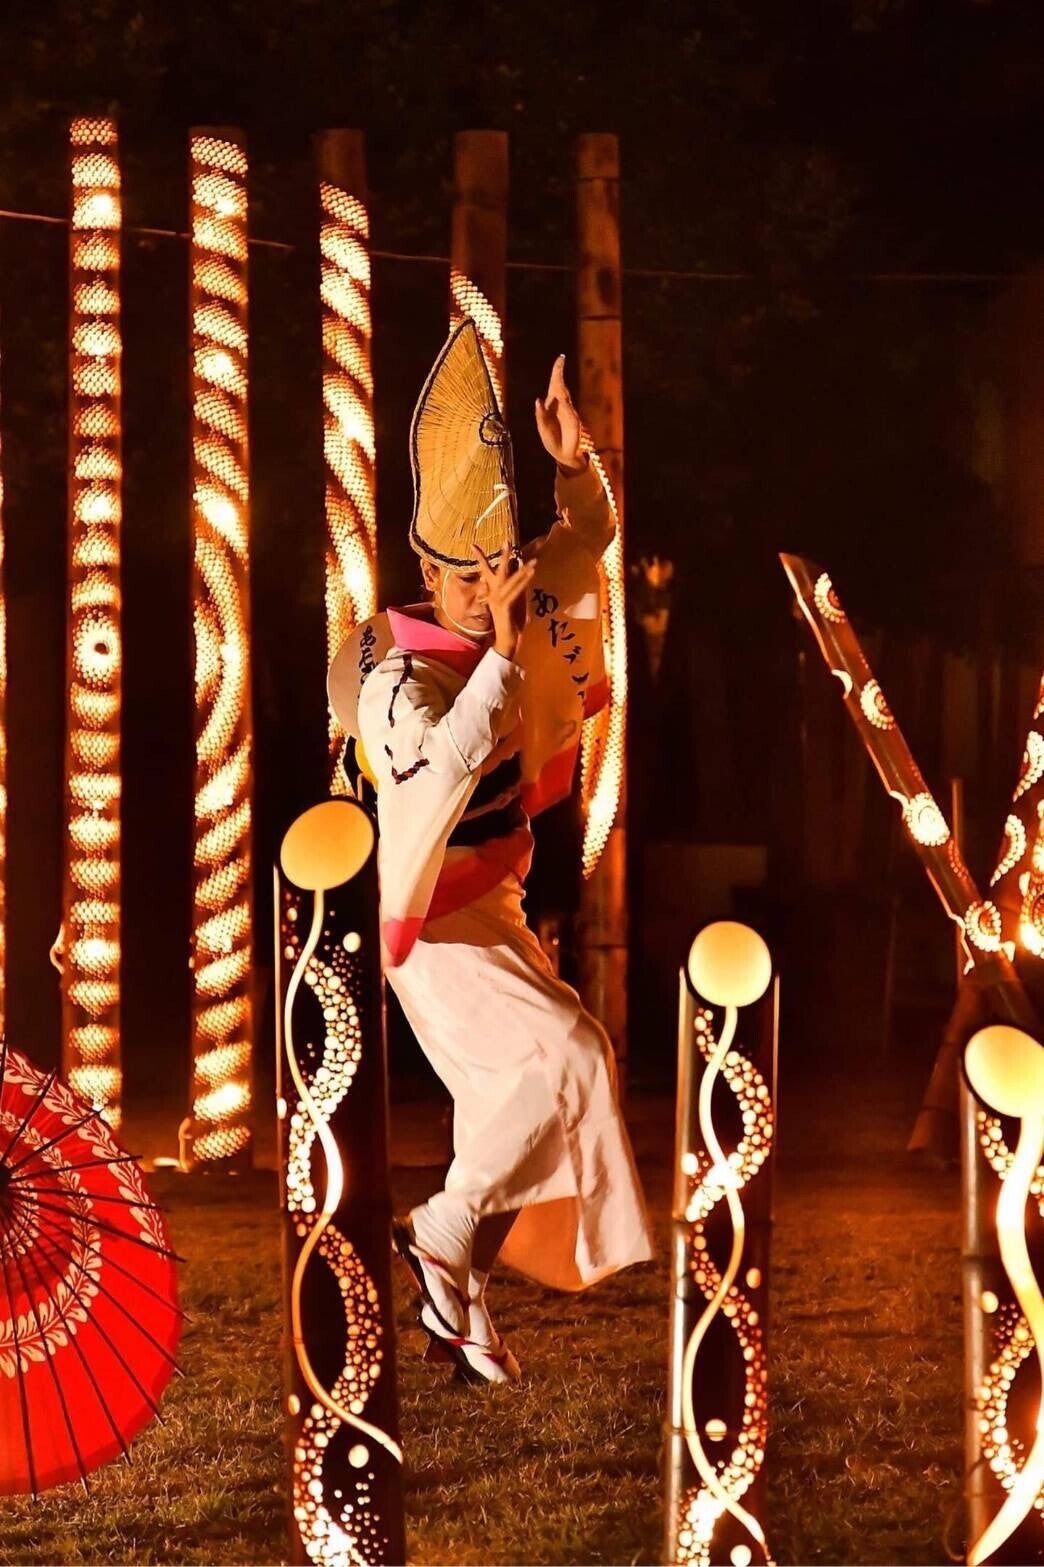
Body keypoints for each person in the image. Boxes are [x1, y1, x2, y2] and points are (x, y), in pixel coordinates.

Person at [329, 320, 652, 1385]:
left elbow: (590, 533)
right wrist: (504, 659)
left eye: (501, 568)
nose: (488, 589)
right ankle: (445, 1227)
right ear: (426, 567)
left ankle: (458, 1301)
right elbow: (439, 779)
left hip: (494, 897)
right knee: (568, 1055)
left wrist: (575, 462)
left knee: (521, 1089)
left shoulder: (517, 592)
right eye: (465, 575)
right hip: (428, 914)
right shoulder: (395, 678)